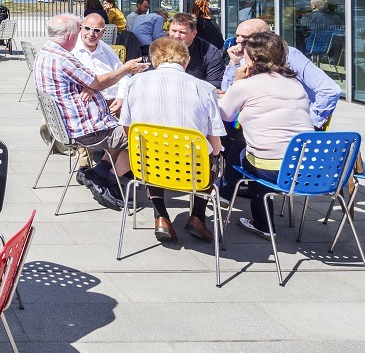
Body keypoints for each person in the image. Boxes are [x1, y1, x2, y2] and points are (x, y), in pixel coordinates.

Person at [35, 13, 148, 210]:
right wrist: (126, 69)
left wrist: (93, 86)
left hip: (73, 125)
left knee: (125, 127)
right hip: (86, 131)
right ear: (71, 35)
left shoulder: (45, 53)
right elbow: (98, 81)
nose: (85, 34)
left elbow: (92, 82)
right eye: (81, 29)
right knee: (143, 138)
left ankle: (100, 173)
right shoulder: (64, 59)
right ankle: (110, 179)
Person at [119, 37, 225, 242]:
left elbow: (127, 128)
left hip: (149, 165)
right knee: (214, 158)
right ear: (186, 61)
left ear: (154, 60)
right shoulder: (204, 88)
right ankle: (198, 217)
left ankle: (160, 216)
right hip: (192, 169)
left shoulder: (134, 83)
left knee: (150, 149)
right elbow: (215, 145)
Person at [218, 31, 314, 239]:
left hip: (272, 171)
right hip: (308, 169)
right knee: (255, 150)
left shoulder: (246, 85)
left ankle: (261, 222)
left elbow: (224, 115)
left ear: (253, 59)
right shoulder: (296, 84)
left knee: (245, 153)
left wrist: (236, 80)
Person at [72, 13, 127, 114]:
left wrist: (121, 97)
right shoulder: (72, 49)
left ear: (103, 32)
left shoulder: (106, 49)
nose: (91, 34)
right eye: (87, 28)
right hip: (90, 106)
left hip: (115, 102)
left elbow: (124, 75)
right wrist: (90, 87)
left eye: (96, 30)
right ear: (81, 27)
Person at [167, 13, 225, 88]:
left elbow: (214, 86)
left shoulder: (210, 52)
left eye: (182, 32)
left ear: (194, 33)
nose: (177, 36)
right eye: (174, 31)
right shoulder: (159, 48)